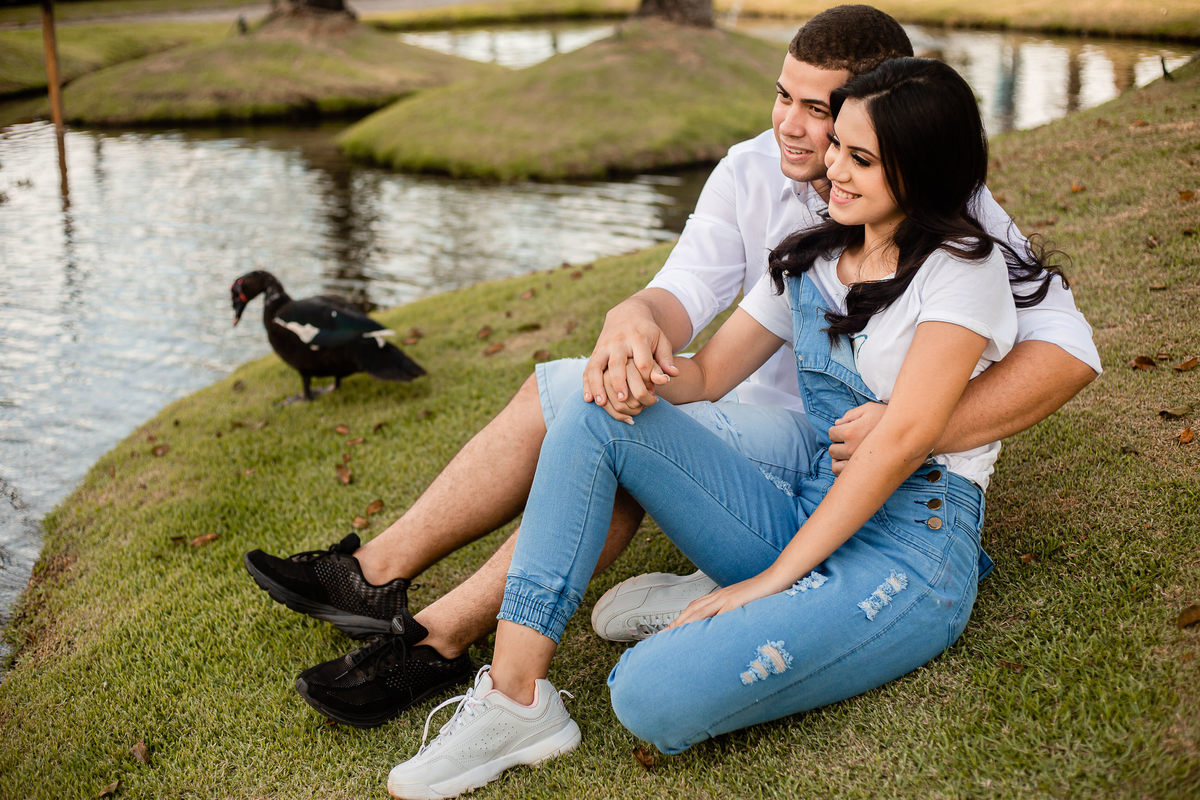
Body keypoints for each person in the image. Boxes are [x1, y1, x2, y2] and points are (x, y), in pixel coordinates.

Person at [242, 5, 1100, 728]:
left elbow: (1068, 356)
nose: (794, 128)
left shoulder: (953, 218)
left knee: (606, 436)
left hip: (857, 458)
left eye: (823, 111)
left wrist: (909, 429)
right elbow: (683, 304)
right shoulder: (764, 181)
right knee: (585, 391)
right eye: (785, 97)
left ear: (890, 117)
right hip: (771, 446)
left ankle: (438, 632)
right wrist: (631, 323)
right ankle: (386, 586)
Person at [385, 55, 1054, 799]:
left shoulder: (961, 272)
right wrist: (634, 356)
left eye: (860, 159)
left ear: (921, 172)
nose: (832, 167)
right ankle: (515, 700)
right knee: (597, 406)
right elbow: (706, 375)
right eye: (838, 145)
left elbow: (899, 444)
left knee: (647, 696)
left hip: (907, 544)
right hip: (809, 501)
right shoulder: (818, 250)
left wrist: (768, 581)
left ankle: (744, 605)